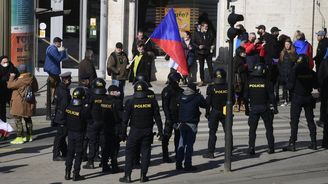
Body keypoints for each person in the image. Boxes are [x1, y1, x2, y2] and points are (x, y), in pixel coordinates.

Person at [119, 81, 163, 183]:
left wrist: (123, 133)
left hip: (134, 131)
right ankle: (143, 176)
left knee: (129, 153)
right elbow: (157, 117)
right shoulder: (152, 102)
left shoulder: (130, 102)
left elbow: (124, 120)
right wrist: (160, 131)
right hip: (147, 130)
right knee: (146, 153)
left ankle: (127, 176)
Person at [283, 54, 318, 151]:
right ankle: (314, 142)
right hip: (308, 97)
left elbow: (289, 86)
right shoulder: (311, 72)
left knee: (294, 121)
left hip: (297, 97)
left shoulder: (295, 71)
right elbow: (316, 85)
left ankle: (292, 143)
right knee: (310, 120)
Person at [244, 63, 278, 155]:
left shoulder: (249, 82)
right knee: (269, 129)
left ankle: (251, 148)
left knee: (252, 130)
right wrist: (275, 108)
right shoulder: (267, 82)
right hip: (265, 108)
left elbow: (245, 97)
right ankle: (271, 148)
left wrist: (247, 109)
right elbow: (272, 96)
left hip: (254, 108)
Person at [176, 83, 207, 171]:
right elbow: (204, 104)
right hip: (192, 123)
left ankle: (178, 164)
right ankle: (187, 164)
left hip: (182, 123)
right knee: (189, 145)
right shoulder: (196, 97)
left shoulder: (181, 96)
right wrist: (199, 95)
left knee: (181, 143)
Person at [203, 68, 232, 159]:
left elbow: (208, 102)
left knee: (212, 132)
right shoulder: (229, 86)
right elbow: (233, 100)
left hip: (214, 111)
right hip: (226, 111)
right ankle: (229, 151)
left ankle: (210, 152)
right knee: (228, 132)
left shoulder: (211, 87)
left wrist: (207, 113)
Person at [65, 87, 91, 181]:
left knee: (70, 153)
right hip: (79, 133)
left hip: (70, 132)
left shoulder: (68, 106)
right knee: (78, 154)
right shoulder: (83, 109)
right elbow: (89, 120)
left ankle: (67, 173)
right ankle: (76, 174)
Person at [7, 64, 38, 144]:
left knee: (18, 119)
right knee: (28, 119)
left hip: (19, 102)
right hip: (29, 102)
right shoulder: (31, 77)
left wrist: (12, 77)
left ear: (19, 71)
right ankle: (29, 136)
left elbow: (10, 86)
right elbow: (36, 88)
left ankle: (19, 137)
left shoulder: (20, 80)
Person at [83, 78, 107, 169]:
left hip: (93, 123)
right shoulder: (106, 97)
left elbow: (85, 111)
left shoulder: (91, 96)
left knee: (92, 142)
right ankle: (104, 163)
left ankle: (90, 162)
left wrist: (89, 121)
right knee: (103, 143)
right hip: (104, 123)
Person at [100, 85, 124, 173]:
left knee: (106, 147)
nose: (118, 92)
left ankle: (105, 165)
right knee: (114, 148)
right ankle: (114, 166)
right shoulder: (117, 102)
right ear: (112, 92)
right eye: (117, 91)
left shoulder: (103, 100)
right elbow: (121, 116)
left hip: (105, 127)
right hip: (115, 127)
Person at [161, 72, 184, 163]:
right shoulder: (167, 91)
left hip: (178, 117)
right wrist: (168, 118)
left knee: (178, 137)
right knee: (166, 137)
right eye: (177, 80)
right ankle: (165, 155)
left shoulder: (180, 90)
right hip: (170, 116)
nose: (178, 82)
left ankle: (178, 153)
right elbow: (165, 106)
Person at [52, 72, 72, 161]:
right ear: (65, 80)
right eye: (69, 79)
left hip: (60, 115)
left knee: (63, 135)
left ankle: (65, 152)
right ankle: (56, 154)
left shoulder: (61, 88)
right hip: (62, 116)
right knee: (60, 136)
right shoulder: (63, 91)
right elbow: (65, 105)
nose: (70, 80)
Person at [44, 37, 68, 103]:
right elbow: (58, 58)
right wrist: (63, 51)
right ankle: (49, 101)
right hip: (53, 70)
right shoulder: (53, 49)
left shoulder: (51, 48)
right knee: (52, 86)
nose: (60, 43)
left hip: (53, 70)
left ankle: (53, 100)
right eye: (59, 42)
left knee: (56, 85)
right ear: (56, 42)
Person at [192, 22, 215, 86]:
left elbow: (213, 40)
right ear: (201, 27)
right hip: (200, 52)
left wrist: (213, 45)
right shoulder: (196, 33)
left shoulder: (209, 33)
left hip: (208, 52)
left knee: (210, 66)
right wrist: (198, 46)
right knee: (201, 67)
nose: (206, 28)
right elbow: (192, 42)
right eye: (205, 26)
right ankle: (202, 80)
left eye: (207, 26)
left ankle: (212, 80)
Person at [314, 30, 328, 129]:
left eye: (318, 35)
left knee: (324, 104)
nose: (317, 37)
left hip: (325, 85)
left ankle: (323, 120)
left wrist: (318, 85)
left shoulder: (324, 62)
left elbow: (320, 76)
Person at [0, 56, 19, 122]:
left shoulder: (12, 68)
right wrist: (4, 79)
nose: (6, 63)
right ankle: (3, 123)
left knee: (14, 107)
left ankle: (18, 123)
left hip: (11, 91)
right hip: (1, 91)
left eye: (7, 62)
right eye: (4, 62)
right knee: (2, 109)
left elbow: (17, 76)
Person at [278, 39, 297, 106]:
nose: (287, 46)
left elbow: (296, 64)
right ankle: (285, 100)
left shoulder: (294, 53)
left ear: (290, 45)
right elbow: (279, 63)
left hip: (290, 73)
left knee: (291, 88)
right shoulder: (282, 52)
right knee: (285, 88)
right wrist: (280, 71)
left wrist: (293, 71)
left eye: (288, 44)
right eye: (286, 44)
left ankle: (292, 100)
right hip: (283, 73)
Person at [233, 46, 248, 112]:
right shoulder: (236, 59)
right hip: (237, 78)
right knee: (237, 90)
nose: (244, 53)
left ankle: (242, 103)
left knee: (243, 91)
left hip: (243, 77)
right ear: (239, 53)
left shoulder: (244, 59)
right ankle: (236, 104)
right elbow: (235, 69)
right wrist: (243, 67)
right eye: (243, 52)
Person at [318, 56, 328, 149]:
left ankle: (325, 142)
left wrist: (320, 88)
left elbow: (320, 77)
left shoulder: (324, 62)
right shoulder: (324, 62)